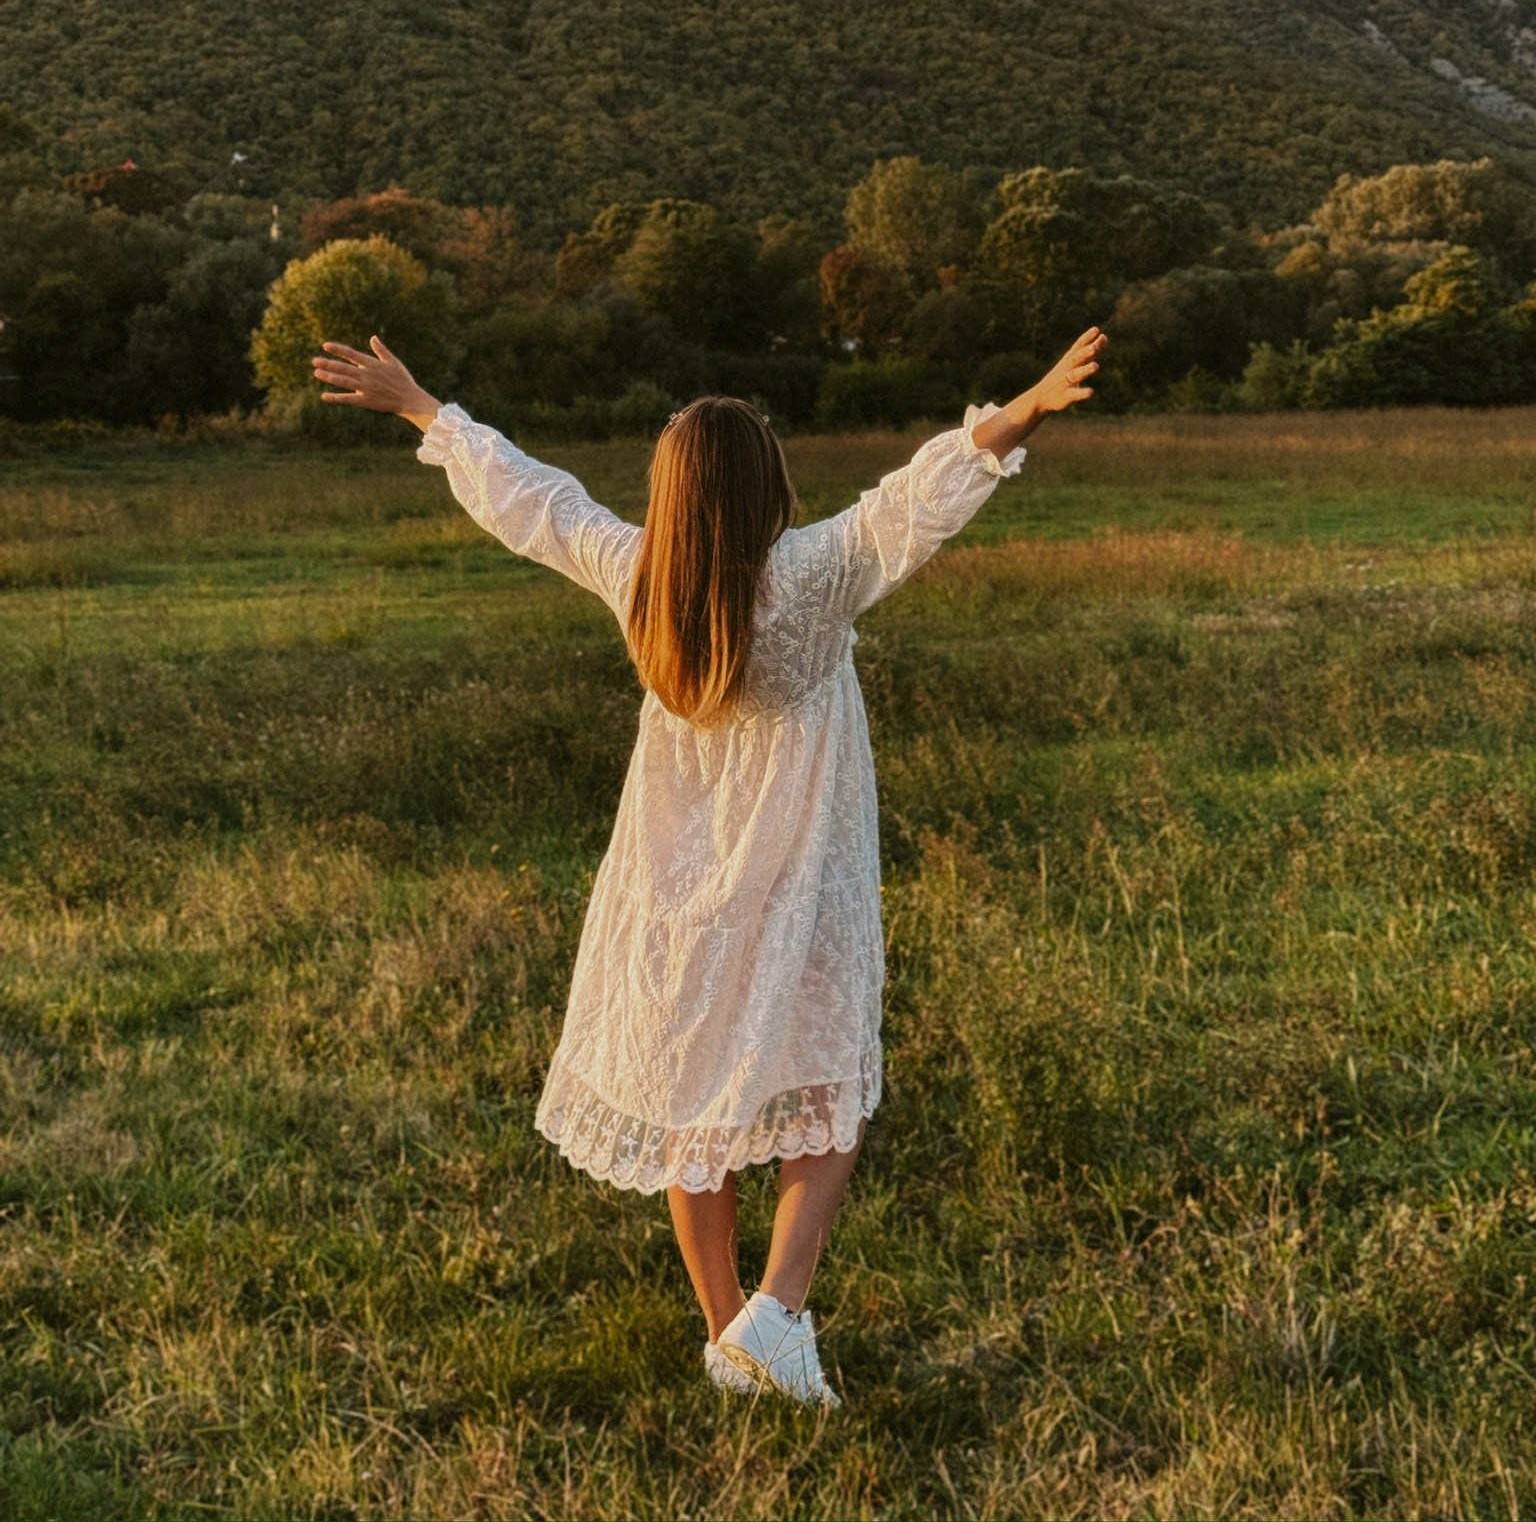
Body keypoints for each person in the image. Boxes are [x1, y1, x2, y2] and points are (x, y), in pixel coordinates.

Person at [311, 327, 1108, 1406]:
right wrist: (1026, 407)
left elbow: (532, 498)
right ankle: (774, 1315)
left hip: (673, 885)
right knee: (826, 1090)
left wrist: (422, 408)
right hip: (798, 876)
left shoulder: (639, 572)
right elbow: (918, 495)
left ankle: (729, 1332)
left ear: (672, 495)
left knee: (699, 1102)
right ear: (769, 484)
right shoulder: (816, 574)